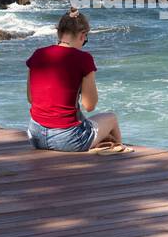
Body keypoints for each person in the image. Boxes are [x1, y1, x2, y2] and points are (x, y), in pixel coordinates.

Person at [25, 8, 124, 152]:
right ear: (83, 36)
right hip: (68, 139)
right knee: (111, 118)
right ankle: (119, 160)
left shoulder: (38, 55)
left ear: (59, 33)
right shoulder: (84, 59)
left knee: (90, 126)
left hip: (35, 136)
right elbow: (89, 105)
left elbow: (31, 98)